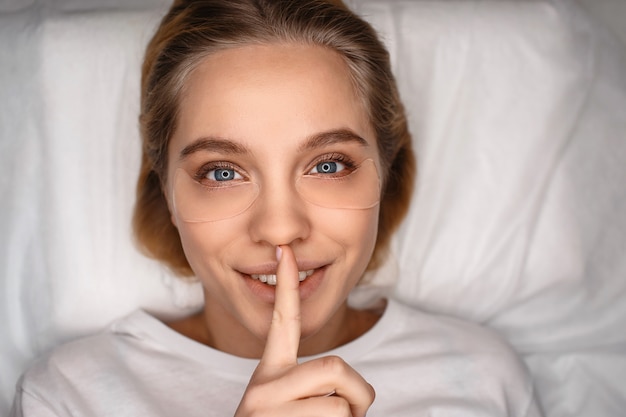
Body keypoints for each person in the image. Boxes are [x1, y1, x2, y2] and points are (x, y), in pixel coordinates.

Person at [11, 0, 542, 416]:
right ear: (167, 195)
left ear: (386, 171)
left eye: (329, 165)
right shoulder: (69, 398)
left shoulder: (481, 376)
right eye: (222, 173)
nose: (281, 228)